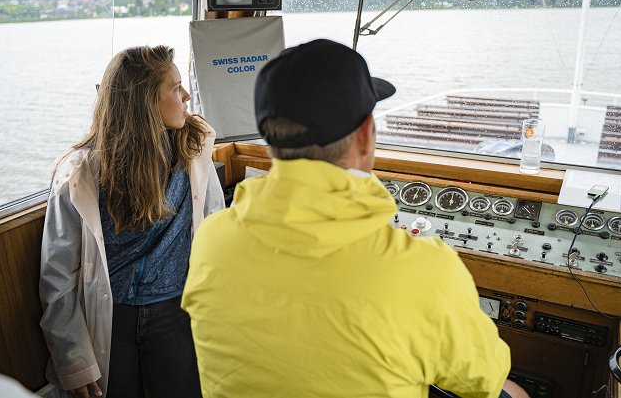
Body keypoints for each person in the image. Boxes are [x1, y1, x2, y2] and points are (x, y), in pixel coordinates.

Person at [182, 38, 528, 398]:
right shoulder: (425, 269)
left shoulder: (212, 239)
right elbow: (481, 382)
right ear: (366, 135)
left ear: (272, 140)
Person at [40, 45, 225, 398]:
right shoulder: (80, 172)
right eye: (175, 88)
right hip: (111, 319)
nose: (186, 96)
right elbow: (57, 274)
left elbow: (215, 225)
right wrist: (73, 359)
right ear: (144, 102)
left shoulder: (193, 152)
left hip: (177, 311)